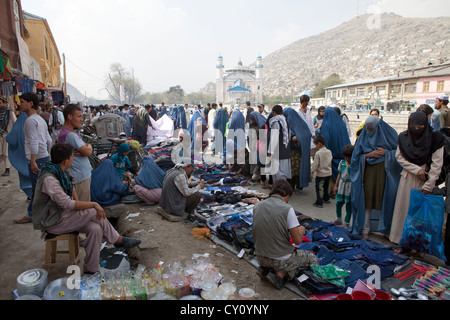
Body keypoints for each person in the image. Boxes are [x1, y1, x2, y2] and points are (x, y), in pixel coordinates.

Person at [32, 143, 141, 274]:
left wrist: (80, 208)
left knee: (95, 229)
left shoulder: (60, 171)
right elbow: (67, 203)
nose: (73, 159)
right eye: (72, 156)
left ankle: (91, 268)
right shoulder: (49, 179)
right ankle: (117, 239)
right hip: (53, 221)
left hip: (65, 215)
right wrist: (93, 204)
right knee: (94, 211)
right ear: (66, 160)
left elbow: (71, 190)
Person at [389, 112, 445, 246]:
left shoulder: (435, 138)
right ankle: (400, 241)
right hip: (407, 177)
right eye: (414, 126)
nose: (417, 129)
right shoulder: (403, 137)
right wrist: (416, 169)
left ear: (426, 125)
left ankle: (417, 246)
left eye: (420, 126)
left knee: (419, 217)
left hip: (424, 180)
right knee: (403, 212)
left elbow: (437, 164)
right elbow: (399, 157)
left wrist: (429, 184)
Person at [252, 179, 318, 290]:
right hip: (280, 259)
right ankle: (281, 275)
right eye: (289, 198)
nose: (288, 201)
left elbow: (267, 227)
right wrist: (300, 230)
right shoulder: (287, 209)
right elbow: (297, 241)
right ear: (286, 194)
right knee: (311, 258)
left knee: (284, 258)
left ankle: (266, 269)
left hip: (260, 257)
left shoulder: (258, 206)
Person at [351, 115, 402, 239]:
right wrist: (368, 155)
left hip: (386, 173)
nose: (370, 132)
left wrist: (387, 153)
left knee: (385, 199)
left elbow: (401, 154)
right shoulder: (363, 136)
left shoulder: (391, 135)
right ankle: (365, 228)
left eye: (372, 129)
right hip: (367, 173)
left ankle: (386, 230)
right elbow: (355, 158)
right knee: (367, 200)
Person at [15, 92, 52, 224]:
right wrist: (46, 155)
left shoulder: (30, 121)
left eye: (23, 102)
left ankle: (32, 214)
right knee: (41, 187)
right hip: (44, 157)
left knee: (37, 188)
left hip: (38, 158)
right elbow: (48, 140)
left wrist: (33, 160)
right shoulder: (40, 119)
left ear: (31, 104)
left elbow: (34, 142)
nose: (20, 104)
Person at [58, 104, 93, 202]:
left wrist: (86, 148)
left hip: (80, 176)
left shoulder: (68, 132)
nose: (81, 119)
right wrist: (89, 146)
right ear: (69, 117)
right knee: (83, 210)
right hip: (79, 178)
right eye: (79, 116)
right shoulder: (70, 135)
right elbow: (88, 151)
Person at [283, 107, 312, 192]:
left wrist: (298, 137)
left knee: (297, 170)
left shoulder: (301, 124)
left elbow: (306, 135)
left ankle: (299, 185)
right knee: (291, 170)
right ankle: (291, 187)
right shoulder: (286, 124)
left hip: (298, 153)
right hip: (290, 153)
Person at [320, 107, 352, 182]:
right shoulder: (341, 123)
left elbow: (325, 140)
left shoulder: (326, 124)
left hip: (332, 155)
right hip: (343, 154)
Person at [332, 145, 355, 228]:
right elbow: (339, 174)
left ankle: (347, 222)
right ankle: (338, 219)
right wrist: (336, 185)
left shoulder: (355, 164)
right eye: (346, 157)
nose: (347, 159)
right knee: (338, 203)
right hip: (342, 186)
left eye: (349, 157)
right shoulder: (342, 162)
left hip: (350, 187)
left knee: (349, 206)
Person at [267, 105, 292, 182]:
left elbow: (274, 138)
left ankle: (279, 191)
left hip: (277, 151)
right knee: (283, 172)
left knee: (277, 173)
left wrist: (270, 152)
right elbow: (289, 136)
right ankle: (283, 190)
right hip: (285, 150)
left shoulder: (276, 122)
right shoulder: (285, 121)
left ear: (274, 112)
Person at [310, 135, 333, 208]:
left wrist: (312, 172)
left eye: (316, 144)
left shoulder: (318, 153)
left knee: (319, 188)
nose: (316, 146)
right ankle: (326, 199)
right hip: (329, 173)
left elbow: (315, 164)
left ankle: (319, 202)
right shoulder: (329, 151)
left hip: (321, 174)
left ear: (319, 143)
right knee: (327, 187)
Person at [0, 95, 17, 176]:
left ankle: (7, 169)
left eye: (0, 103)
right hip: (0, 135)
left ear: (4, 103)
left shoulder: (9, 112)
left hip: (7, 134)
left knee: (5, 153)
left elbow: (15, 123)